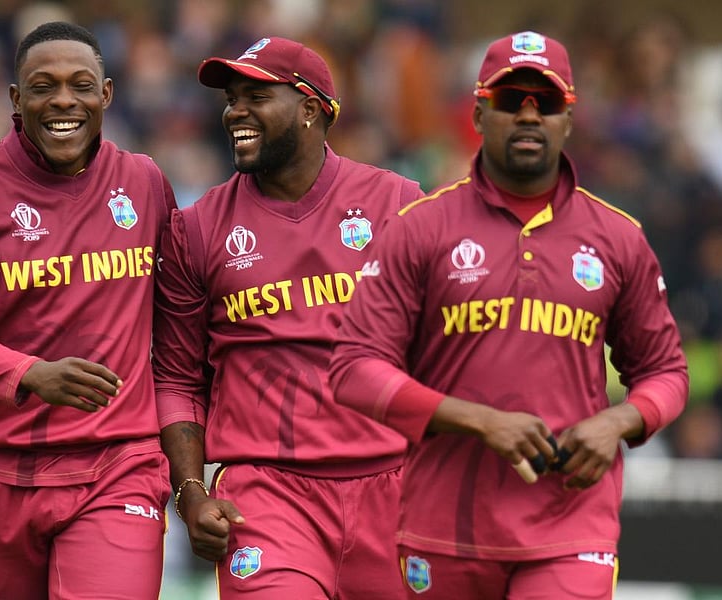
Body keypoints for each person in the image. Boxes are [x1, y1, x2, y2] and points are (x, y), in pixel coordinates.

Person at [329, 31, 688, 599]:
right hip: (444, 528)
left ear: (568, 118)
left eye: (544, 102)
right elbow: (352, 370)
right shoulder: (420, 228)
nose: (528, 115)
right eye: (509, 99)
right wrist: (479, 419)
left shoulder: (619, 238)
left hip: (570, 526)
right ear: (477, 112)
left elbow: (667, 373)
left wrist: (617, 423)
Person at [0, 21, 177, 599]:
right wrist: (30, 372)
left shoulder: (145, 182)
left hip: (117, 463)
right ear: (16, 99)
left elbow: (181, 318)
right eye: (43, 86)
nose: (63, 100)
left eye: (81, 85)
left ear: (106, 94)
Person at [152, 36, 424, 599]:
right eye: (231, 99)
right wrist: (190, 491)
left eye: (257, 96)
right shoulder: (197, 228)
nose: (235, 113)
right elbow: (178, 379)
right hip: (267, 497)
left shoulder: (399, 205)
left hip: (395, 491)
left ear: (310, 108)